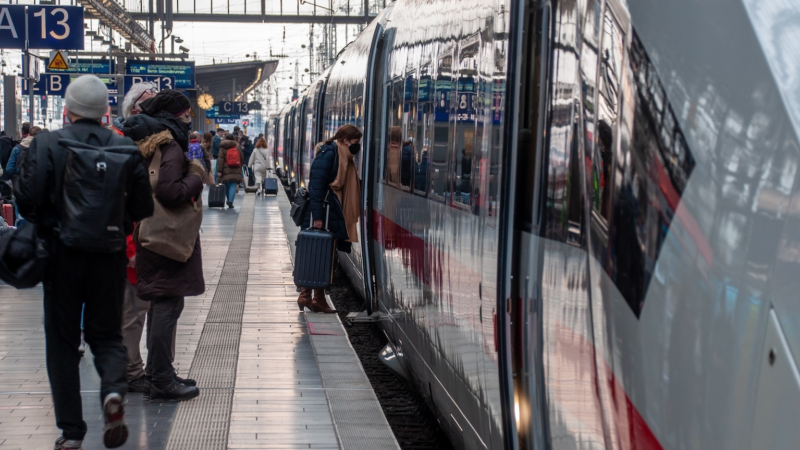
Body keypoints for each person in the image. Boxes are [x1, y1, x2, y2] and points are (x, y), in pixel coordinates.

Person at [14, 75, 154, 450]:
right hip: (108, 256)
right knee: (106, 335)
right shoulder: (126, 149)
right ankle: (112, 393)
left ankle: (72, 432)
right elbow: (143, 208)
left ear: (67, 111)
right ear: (106, 113)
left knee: (62, 343)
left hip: (60, 257)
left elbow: (26, 200)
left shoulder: (46, 143)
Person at [120, 90, 205, 402]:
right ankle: (161, 380)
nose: (188, 117)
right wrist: (195, 174)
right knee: (167, 304)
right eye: (184, 112)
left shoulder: (146, 140)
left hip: (148, 233)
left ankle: (159, 373)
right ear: (173, 115)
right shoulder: (169, 145)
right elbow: (170, 192)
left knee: (161, 304)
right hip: (165, 237)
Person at [297, 124, 363, 313]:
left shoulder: (344, 156)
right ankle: (307, 296)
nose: (357, 146)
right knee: (318, 254)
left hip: (334, 211)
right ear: (345, 140)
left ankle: (315, 297)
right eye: (355, 142)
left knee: (327, 255)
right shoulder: (329, 153)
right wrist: (317, 217)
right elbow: (316, 187)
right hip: (324, 212)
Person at [217, 139, 243, 209]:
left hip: (225, 170)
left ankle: (228, 199)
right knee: (233, 186)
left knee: (226, 186)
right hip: (236, 169)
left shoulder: (222, 148)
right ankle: (230, 201)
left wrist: (219, 171)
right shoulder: (236, 147)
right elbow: (241, 158)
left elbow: (220, 161)